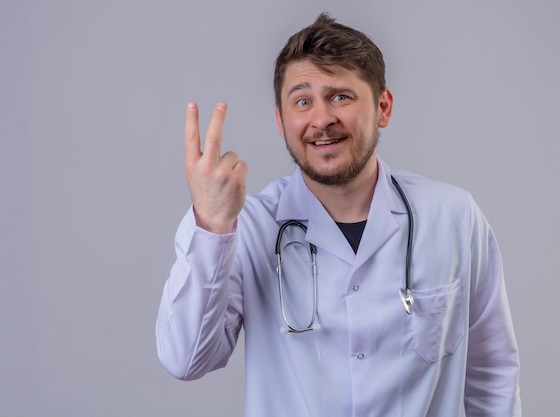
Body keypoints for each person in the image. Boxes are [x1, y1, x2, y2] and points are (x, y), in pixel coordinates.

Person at [156, 13, 521, 417]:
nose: (321, 118)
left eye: (341, 97)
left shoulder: (453, 217)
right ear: (281, 121)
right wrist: (212, 225)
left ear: (383, 107)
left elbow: (492, 375)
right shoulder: (246, 227)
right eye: (302, 101)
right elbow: (186, 359)